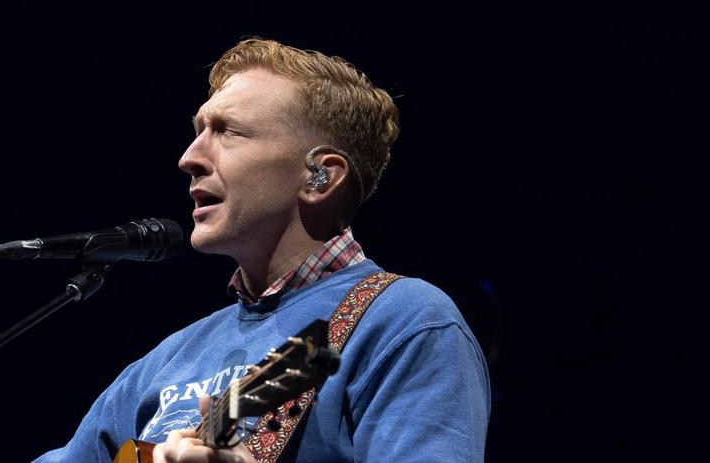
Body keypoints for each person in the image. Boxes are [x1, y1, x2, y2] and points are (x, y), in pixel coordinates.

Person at [32, 38, 490, 462]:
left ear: (320, 177)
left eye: (227, 131)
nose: (188, 157)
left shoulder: (405, 321)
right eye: (198, 130)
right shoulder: (168, 359)